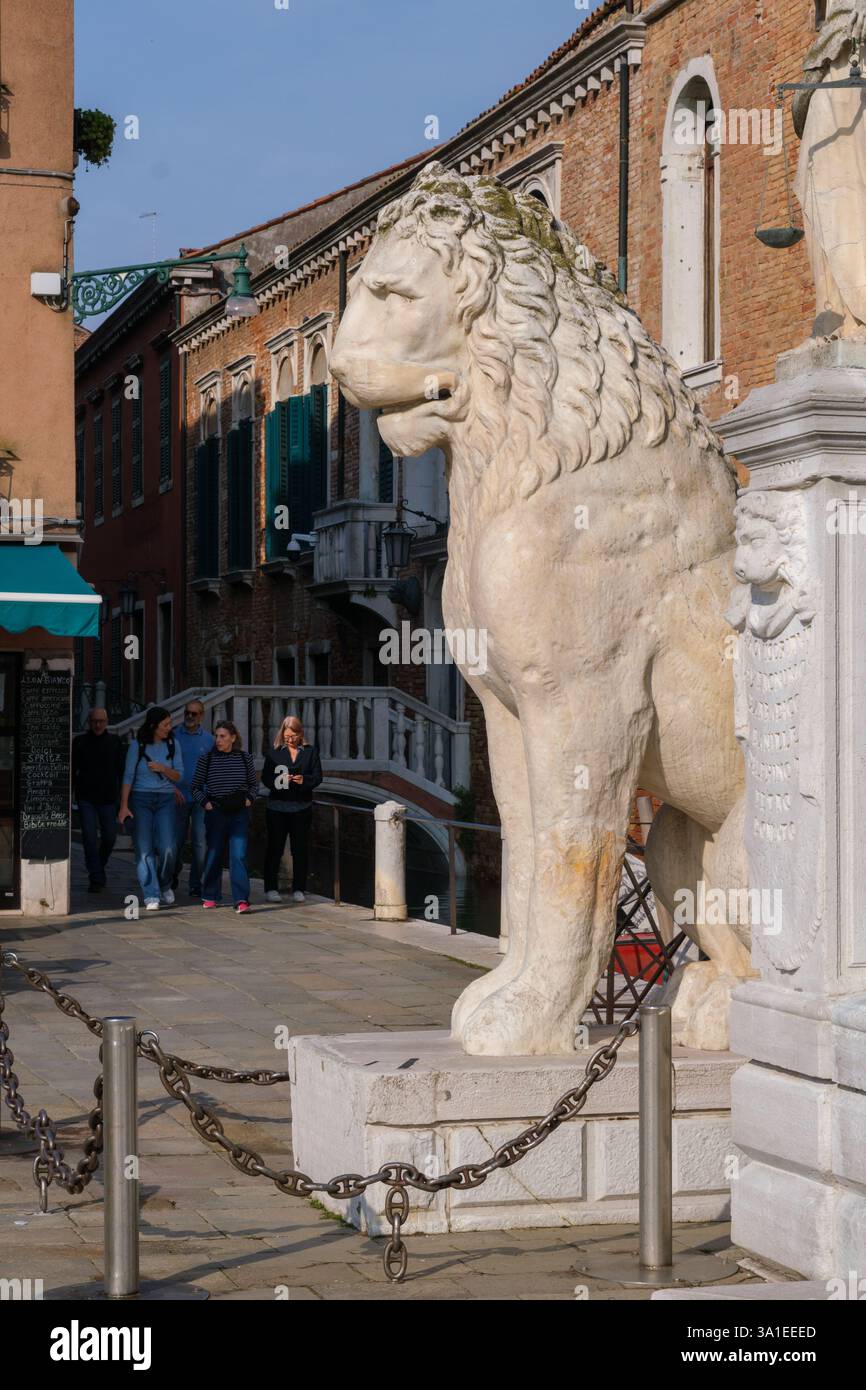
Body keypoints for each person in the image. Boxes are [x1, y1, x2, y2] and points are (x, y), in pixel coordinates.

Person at [118, 706, 183, 912]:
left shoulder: (174, 744)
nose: (169, 727)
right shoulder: (137, 745)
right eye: (166, 724)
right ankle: (151, 893)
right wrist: (123, 806)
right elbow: (128, 777)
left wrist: (163, 768)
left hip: (165, 799)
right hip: (140, 799)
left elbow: (180, 776)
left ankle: (164, 884)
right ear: (154, 725)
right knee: (144, 849)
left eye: (170, 723)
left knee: (169, 848)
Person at [191, 720, 257, 913]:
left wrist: (249, 799)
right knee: (214, 854)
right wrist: (206, 804)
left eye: (223, 736)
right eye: (216, 736)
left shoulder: (245, 758)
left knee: (239, 855)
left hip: (239, 812)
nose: (218, 740)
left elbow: (254, 785)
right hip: (216, 811)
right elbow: (195, 787)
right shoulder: (207, 759)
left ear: (233, 738)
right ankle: (210, 895)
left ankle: (241, 900)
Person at [261, 715, 323, 904]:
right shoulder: (274, 753)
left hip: (302, 808)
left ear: (300, 734)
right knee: (275, 848)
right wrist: (281, 781)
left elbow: (318, 777)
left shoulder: (310, 752)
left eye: (293, 736)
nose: (290, 740)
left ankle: (299, 889)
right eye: (287, 736)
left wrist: (304, 781)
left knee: (300, 850)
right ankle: (271, 888)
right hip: (277, 808)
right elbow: (266, 778)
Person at [72, 707, 126, 892]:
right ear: (89, 722)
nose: (97, 724)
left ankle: (98, 867)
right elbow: (72, 770)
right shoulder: (79, 742)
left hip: (108, 797)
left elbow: (121, 771)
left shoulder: (115, 742)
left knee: (110, 837)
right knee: (88, 837)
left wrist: (123, 799)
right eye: (94, 721)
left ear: (106, 721)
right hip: (85, 796)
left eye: (101, 721)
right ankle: (96, 877)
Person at [172, 698, 214, 898]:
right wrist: (171, 788)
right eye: (187, 712)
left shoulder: (208, 740)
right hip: (177, 797)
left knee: (199, 842)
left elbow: (213, 769)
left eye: (194, 714)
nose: (189, 716)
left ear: (201, 717)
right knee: (176, 842)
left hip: (200, 798)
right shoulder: (173, 736)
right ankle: (172, 874)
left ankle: (196, 884)